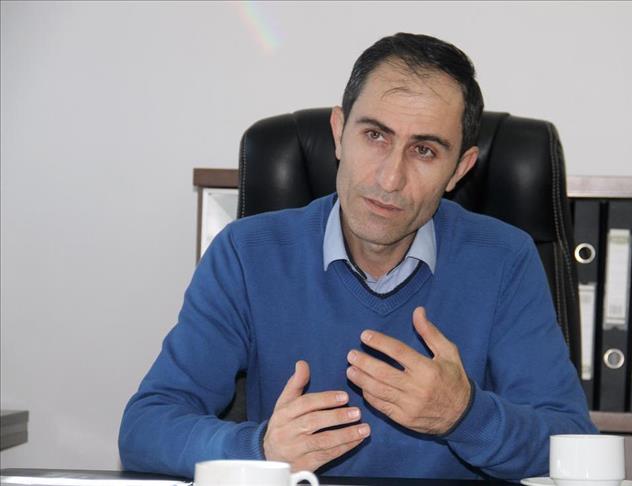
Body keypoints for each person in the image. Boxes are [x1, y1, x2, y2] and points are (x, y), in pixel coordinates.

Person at [118, 32, 597, 481]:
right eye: (375, 136)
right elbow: (145, 428)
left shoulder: (505, 260)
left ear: (460, 169)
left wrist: (465, 416)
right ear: (338, 132)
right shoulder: (245, 254)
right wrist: (260, 449)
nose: (390, 178)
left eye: (424, 150)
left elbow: (574, 443)